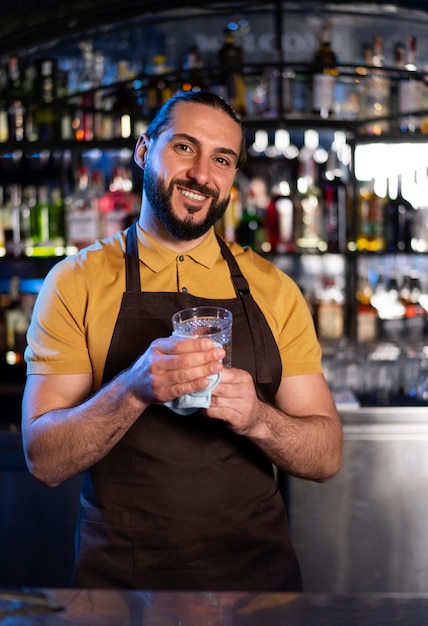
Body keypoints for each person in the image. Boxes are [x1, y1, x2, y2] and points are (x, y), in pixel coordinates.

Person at [21, 90, 343, 592]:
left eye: (221, 159)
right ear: (145, 150)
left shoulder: (273, 289)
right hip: (123, 590)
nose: (201, 175)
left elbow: (325, 457)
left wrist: (258, 418)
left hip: (256, 588)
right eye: (185, 147)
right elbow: (44, 458)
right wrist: (133, 387)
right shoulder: (75, 281)